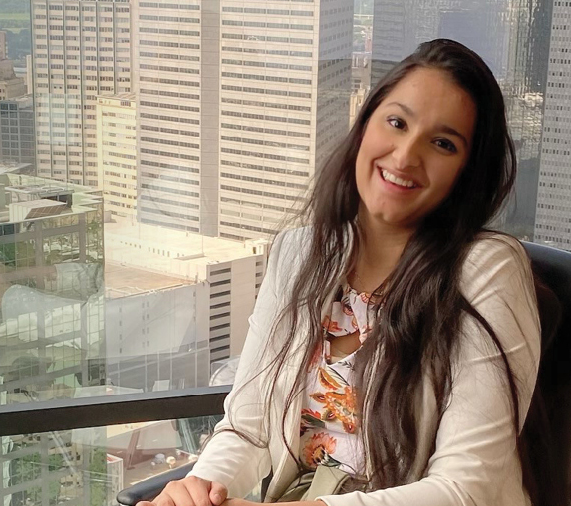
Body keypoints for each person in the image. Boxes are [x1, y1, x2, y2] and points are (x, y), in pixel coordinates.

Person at [140, 39, 542, 506]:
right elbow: (247, 430)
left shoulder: (486, 270)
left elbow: (465, 488)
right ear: (365, 124)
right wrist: (198, 492)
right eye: (397, 122)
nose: (406, 155)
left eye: (442, 143)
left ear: (467, 173)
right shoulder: (299, 253)